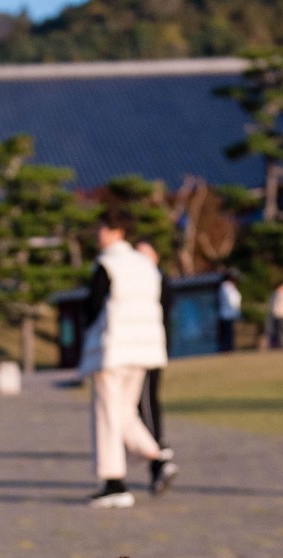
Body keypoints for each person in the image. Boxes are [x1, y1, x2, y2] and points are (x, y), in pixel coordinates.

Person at [79, 208, 170, 508]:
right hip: (144, 350)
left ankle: (114, 482)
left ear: (115, 231)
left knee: (107, 413)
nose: (97, 235)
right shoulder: (146, 266)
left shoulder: (107, 264)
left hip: (114, 349)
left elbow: (92, 307)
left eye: (101, 229)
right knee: (124, 412)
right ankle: (158, 460)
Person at [135, 242, 177, 489]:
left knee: (145, 401)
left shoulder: (158, 281)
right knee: (138, 405)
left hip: (147, 349)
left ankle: (159, 456)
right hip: (135, 349)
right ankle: (157, 456)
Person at [215, 271, 241, 352]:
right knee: (227, 336)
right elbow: (232, 301)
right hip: (227, 315)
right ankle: (226, 351)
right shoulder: (226, 287)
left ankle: (228, 350)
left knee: (229, 336)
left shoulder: (228, 287)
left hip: (228, 315)